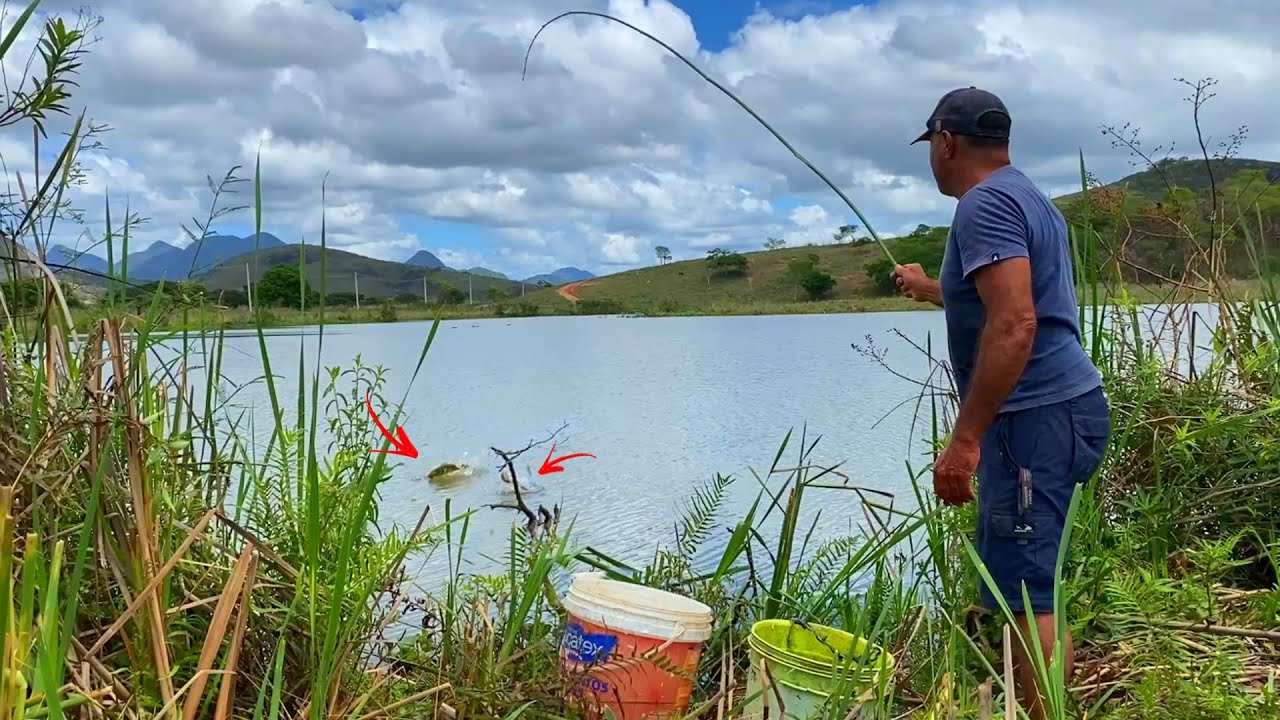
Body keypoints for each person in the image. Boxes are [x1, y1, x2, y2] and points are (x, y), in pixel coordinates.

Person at [892, 87, 1112, 719]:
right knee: (1026, 580)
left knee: (1027, 595)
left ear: (946, 143)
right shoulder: (1029, 198)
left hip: (1032, 422)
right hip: (1061, 410)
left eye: (932, 147)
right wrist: (930, 287)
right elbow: (1001, 299)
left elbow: (1016, 324)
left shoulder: (982, 205)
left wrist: (965, 439)